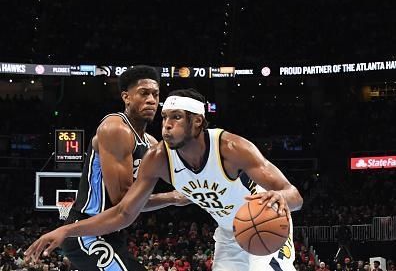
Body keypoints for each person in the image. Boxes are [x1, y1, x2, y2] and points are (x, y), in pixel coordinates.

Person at [26, 88, 303, 271]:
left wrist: (280, 198)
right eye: (165, 117)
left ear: (197, 123)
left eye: (177, 118)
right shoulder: (159, 159)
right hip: (229, 235)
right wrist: (67, 230)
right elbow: (123, 212)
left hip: (266, 222)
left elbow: (294, 196)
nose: (167, 124)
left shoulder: (231, 148)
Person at [55, 66, 190, 271]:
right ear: (126, 97)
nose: (152, 100)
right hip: (86, 232)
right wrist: (172, 198)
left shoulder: (151, 143)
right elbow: (124, 202)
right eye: (144, 93)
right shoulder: (115, 128)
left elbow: (185, 178)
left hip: (113, 232)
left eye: (155, 94)